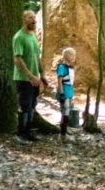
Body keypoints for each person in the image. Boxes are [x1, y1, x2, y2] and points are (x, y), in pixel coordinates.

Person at [13, 9, 49, 143]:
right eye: (30, 18)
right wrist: (30, 76)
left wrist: (42, 74)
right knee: (24, 106)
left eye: (34, 17)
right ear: (24, 20)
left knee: (32, 105)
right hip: (23, 79)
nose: (34, 20)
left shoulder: (33, 36)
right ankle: (20, 134)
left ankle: (28, 132)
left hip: (35, 79)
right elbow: (17, 59)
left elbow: (37, 57)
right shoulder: (19, 37)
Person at [55, 46, 76, 136]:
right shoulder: (62, 67)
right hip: (64, 91)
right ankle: (63, 133)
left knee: (68, 110)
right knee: (65, 111)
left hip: (69, 91)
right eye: (71, 55)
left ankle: (65, 129)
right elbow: (59, 81)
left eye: (74, 55)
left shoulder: (71, 67)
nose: (74, 57)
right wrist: (61, 93)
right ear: (66, 55)